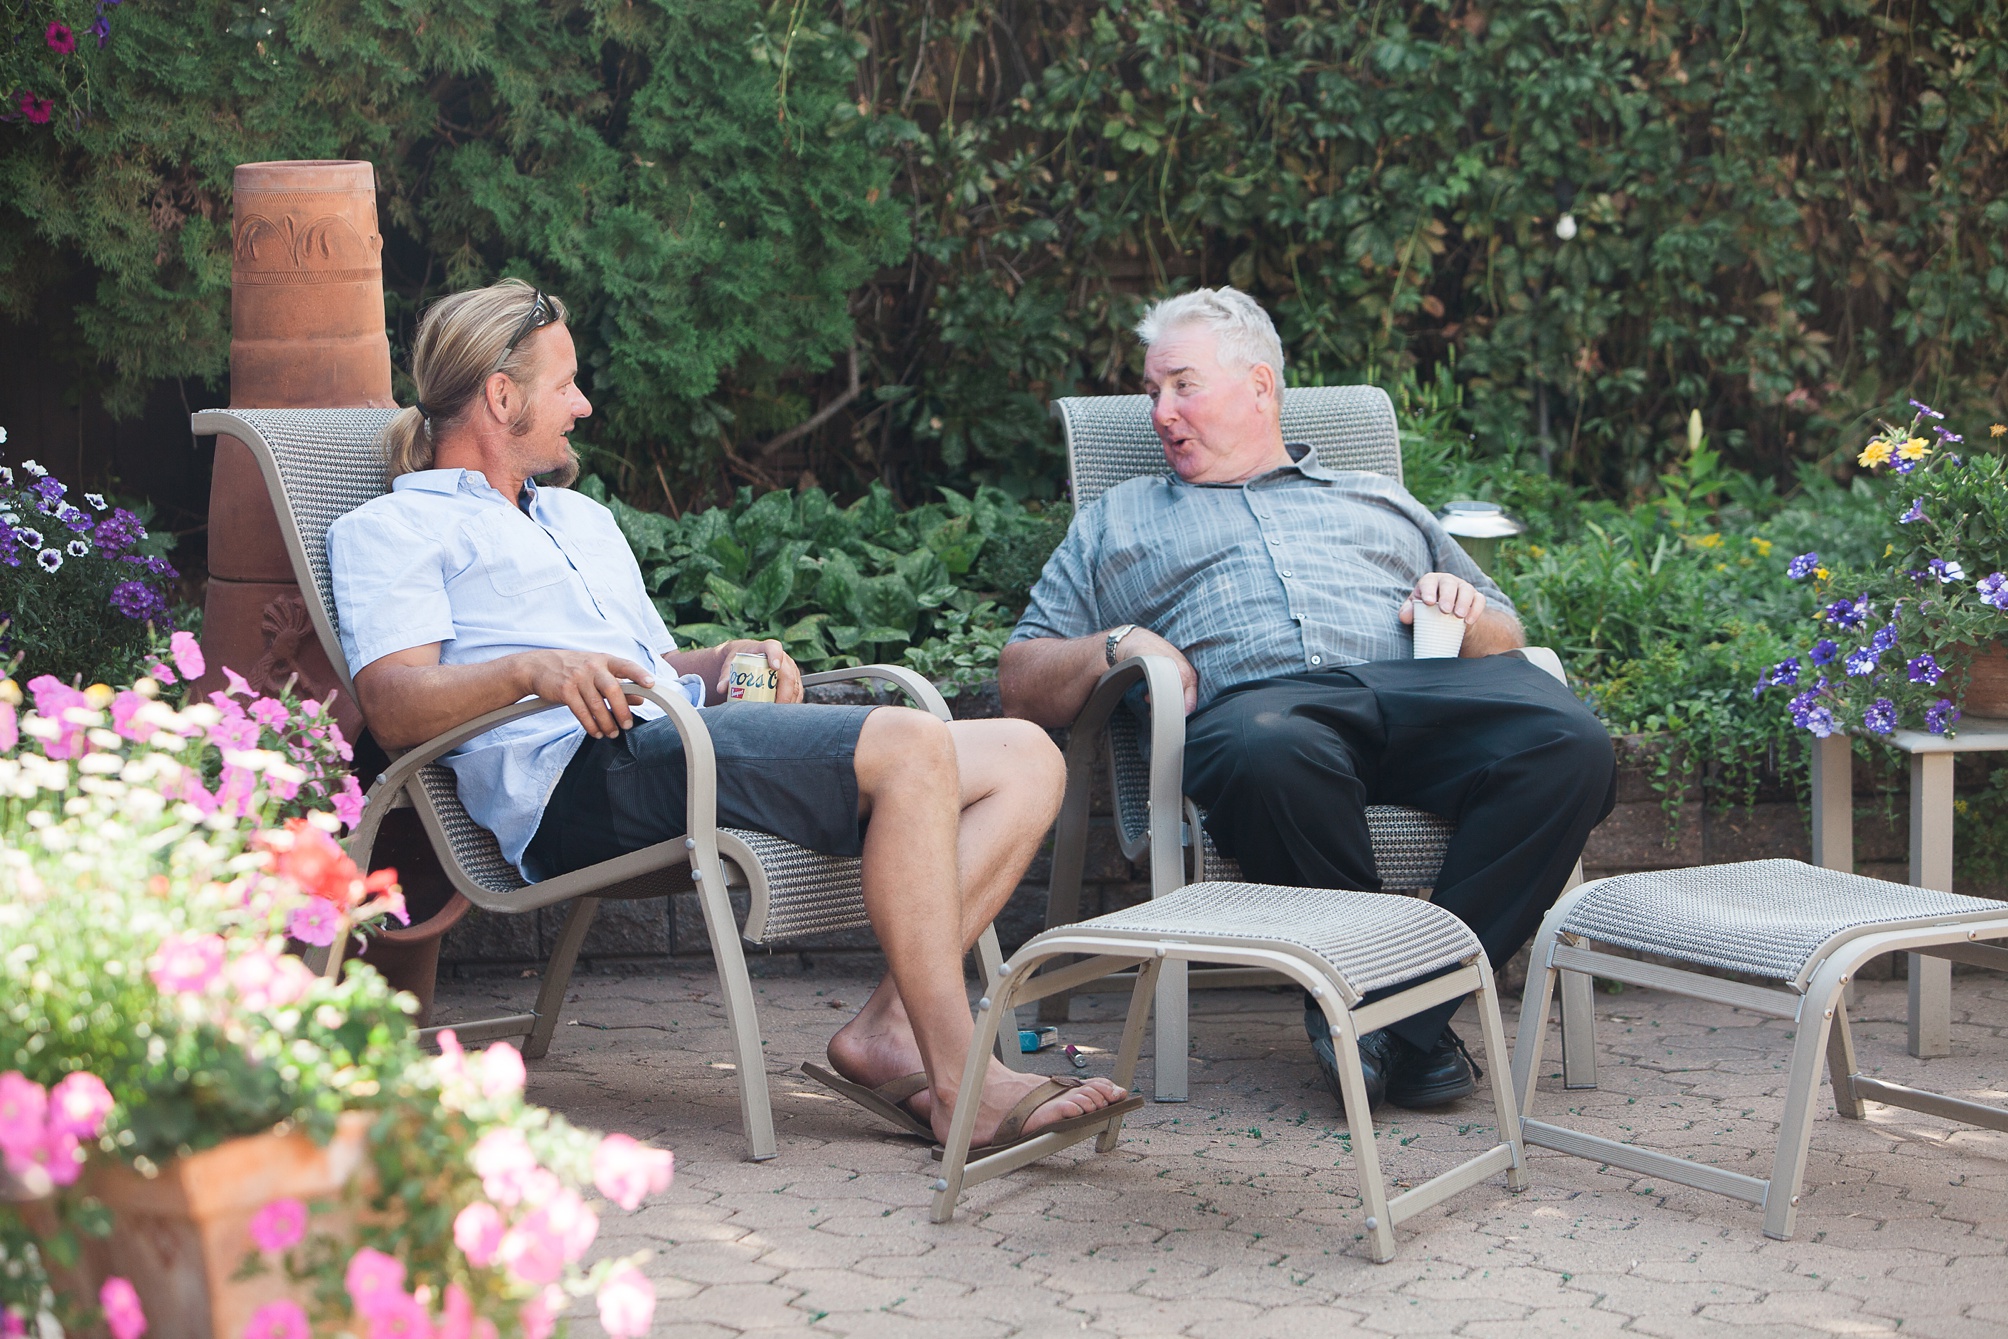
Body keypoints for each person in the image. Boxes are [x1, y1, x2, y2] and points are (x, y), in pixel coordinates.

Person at [326, 278, 1133, 1150]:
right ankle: (960, 1079)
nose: (584, 404)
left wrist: (719, 664)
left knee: (1026, 757)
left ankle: (888, 1029)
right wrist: (528, 670)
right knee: (909, 746)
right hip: (573, 782)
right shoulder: (392, 530)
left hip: (668, 741)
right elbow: (393, 703)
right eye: (566, 384)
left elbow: (652, 664)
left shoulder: (578, 515)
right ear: (500, 394)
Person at [998, 286, 1615, 1112]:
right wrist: (1120, 644)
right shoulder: (1118, 518)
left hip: (1425, 697)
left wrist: (1463, 611)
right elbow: (1020, 674)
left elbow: (1504, 635)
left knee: (1572, 745)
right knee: (1267, 745)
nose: (1160, 412)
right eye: (1152, 394)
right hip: (1266, 713)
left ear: (1259, 387)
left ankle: (1386, 1016)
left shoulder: (1377, 497)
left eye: (1182, 385)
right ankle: (1412, 1028)